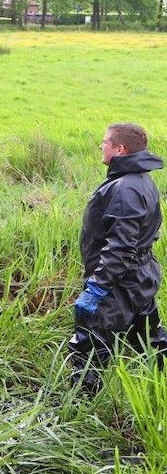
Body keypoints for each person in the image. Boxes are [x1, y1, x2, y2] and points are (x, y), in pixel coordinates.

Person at [69, 123, 167, 392]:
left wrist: (98, 287)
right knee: (150, 338)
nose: (102, 146)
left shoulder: (125, 188)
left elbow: (121, 246)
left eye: (105, 142)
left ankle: (81, 405)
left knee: (90, 345)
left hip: (119, 281)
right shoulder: (141, 181)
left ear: (119, 149)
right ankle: (160, 386)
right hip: (140, 276)